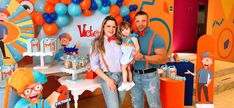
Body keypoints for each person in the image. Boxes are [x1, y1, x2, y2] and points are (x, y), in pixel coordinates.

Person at [131, 11, 167, 108]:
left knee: (154, 105)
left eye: (143, 21)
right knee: (136, 104)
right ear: (135, 22)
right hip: (135, 76)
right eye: (137, 21)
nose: (140, 24)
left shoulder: (156, 37)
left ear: (148, 21)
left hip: (150, 76)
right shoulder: (133, 37)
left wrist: (143, 57)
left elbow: (163, 59)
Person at [90, 15, 125, 108]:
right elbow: (94, 65)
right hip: (108, 77)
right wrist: (108, 80)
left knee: (119, 105)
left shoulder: (120, 41)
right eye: (108, 26)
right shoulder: (97, 42)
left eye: (114, 26)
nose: (111, 29)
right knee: (114, 106)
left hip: (122, 77)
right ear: (103, 27)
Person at [118, 21, 139, 91]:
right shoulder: (124, 38)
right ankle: (130, 82)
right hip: (127, 54)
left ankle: (124, 83)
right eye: (122, 30)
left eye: (126, 29)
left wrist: (134, 57)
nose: (125, 31)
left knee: (123, 68)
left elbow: (137, 47)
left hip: (129, 54)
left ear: (130, 28)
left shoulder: (133, 37)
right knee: (128, 69)